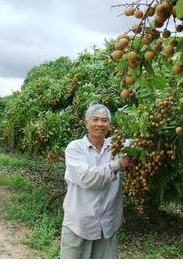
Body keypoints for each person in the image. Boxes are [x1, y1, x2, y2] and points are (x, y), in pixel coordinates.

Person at [59, 102, 131, 259]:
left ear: (110, 125)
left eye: (104, 120)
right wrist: (119, 164)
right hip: (79, 225)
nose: (100, 124)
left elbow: (143, 143)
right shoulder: (75, 148)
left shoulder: (117, 145)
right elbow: (88, 178)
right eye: (95, 119)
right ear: (86, 123)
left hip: (107, 227)